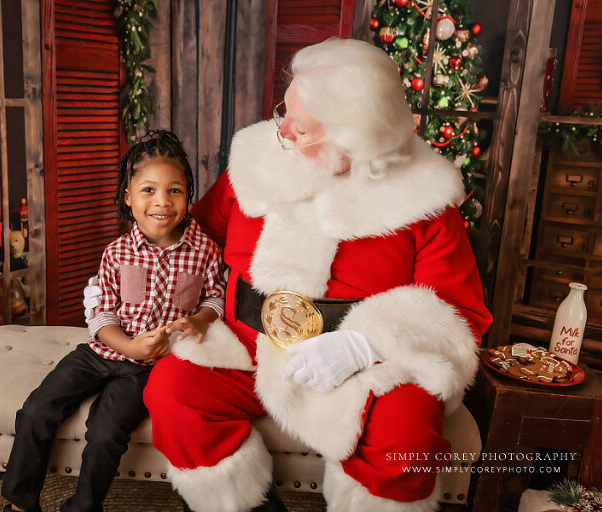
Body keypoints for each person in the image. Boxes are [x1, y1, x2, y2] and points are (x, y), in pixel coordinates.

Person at [87, 39, 492, 512]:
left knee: (408, 429)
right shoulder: (258, 160)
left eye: (299, 124)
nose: (282, 129)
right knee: (174, 390)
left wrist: (365, 345)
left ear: (354, 136)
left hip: (358, 363)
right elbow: (191, 235)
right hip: (243, 342)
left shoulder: (423, 199)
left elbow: (458, 315)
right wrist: (119, 284)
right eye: (286, 109)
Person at [3, 130, 225, 512]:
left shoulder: (204, 249)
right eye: (149, 190)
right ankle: (21, 503)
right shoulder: (117, 251)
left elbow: (215, 296)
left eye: (175, 190)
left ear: (188, 195)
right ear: (128, 197)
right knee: (37, 410)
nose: (162, 202)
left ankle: (83, 507)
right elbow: (101, 313)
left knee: (105, 433)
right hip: (100, 351)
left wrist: (202, 320)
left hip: (147, 369)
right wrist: (126, 344)